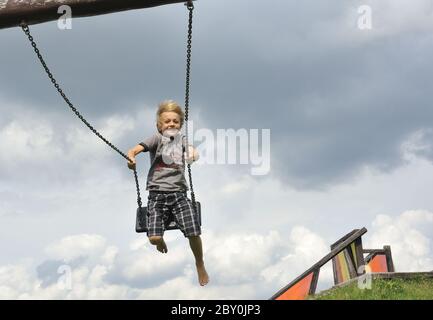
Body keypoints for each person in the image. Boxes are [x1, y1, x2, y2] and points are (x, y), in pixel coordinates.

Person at [127, 100, 209, 286]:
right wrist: (131, 159)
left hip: (179, 194)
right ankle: (160, 239)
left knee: (193, 232)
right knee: (154, 238)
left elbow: (192, 151)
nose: (171, 124)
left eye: (175, 121)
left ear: (180, 125)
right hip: (157, 195)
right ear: (159, 125)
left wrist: (192, 155)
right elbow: (134, 150)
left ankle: (199, 262)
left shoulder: (182, 140)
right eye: (167, 122)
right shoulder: (156, 139)